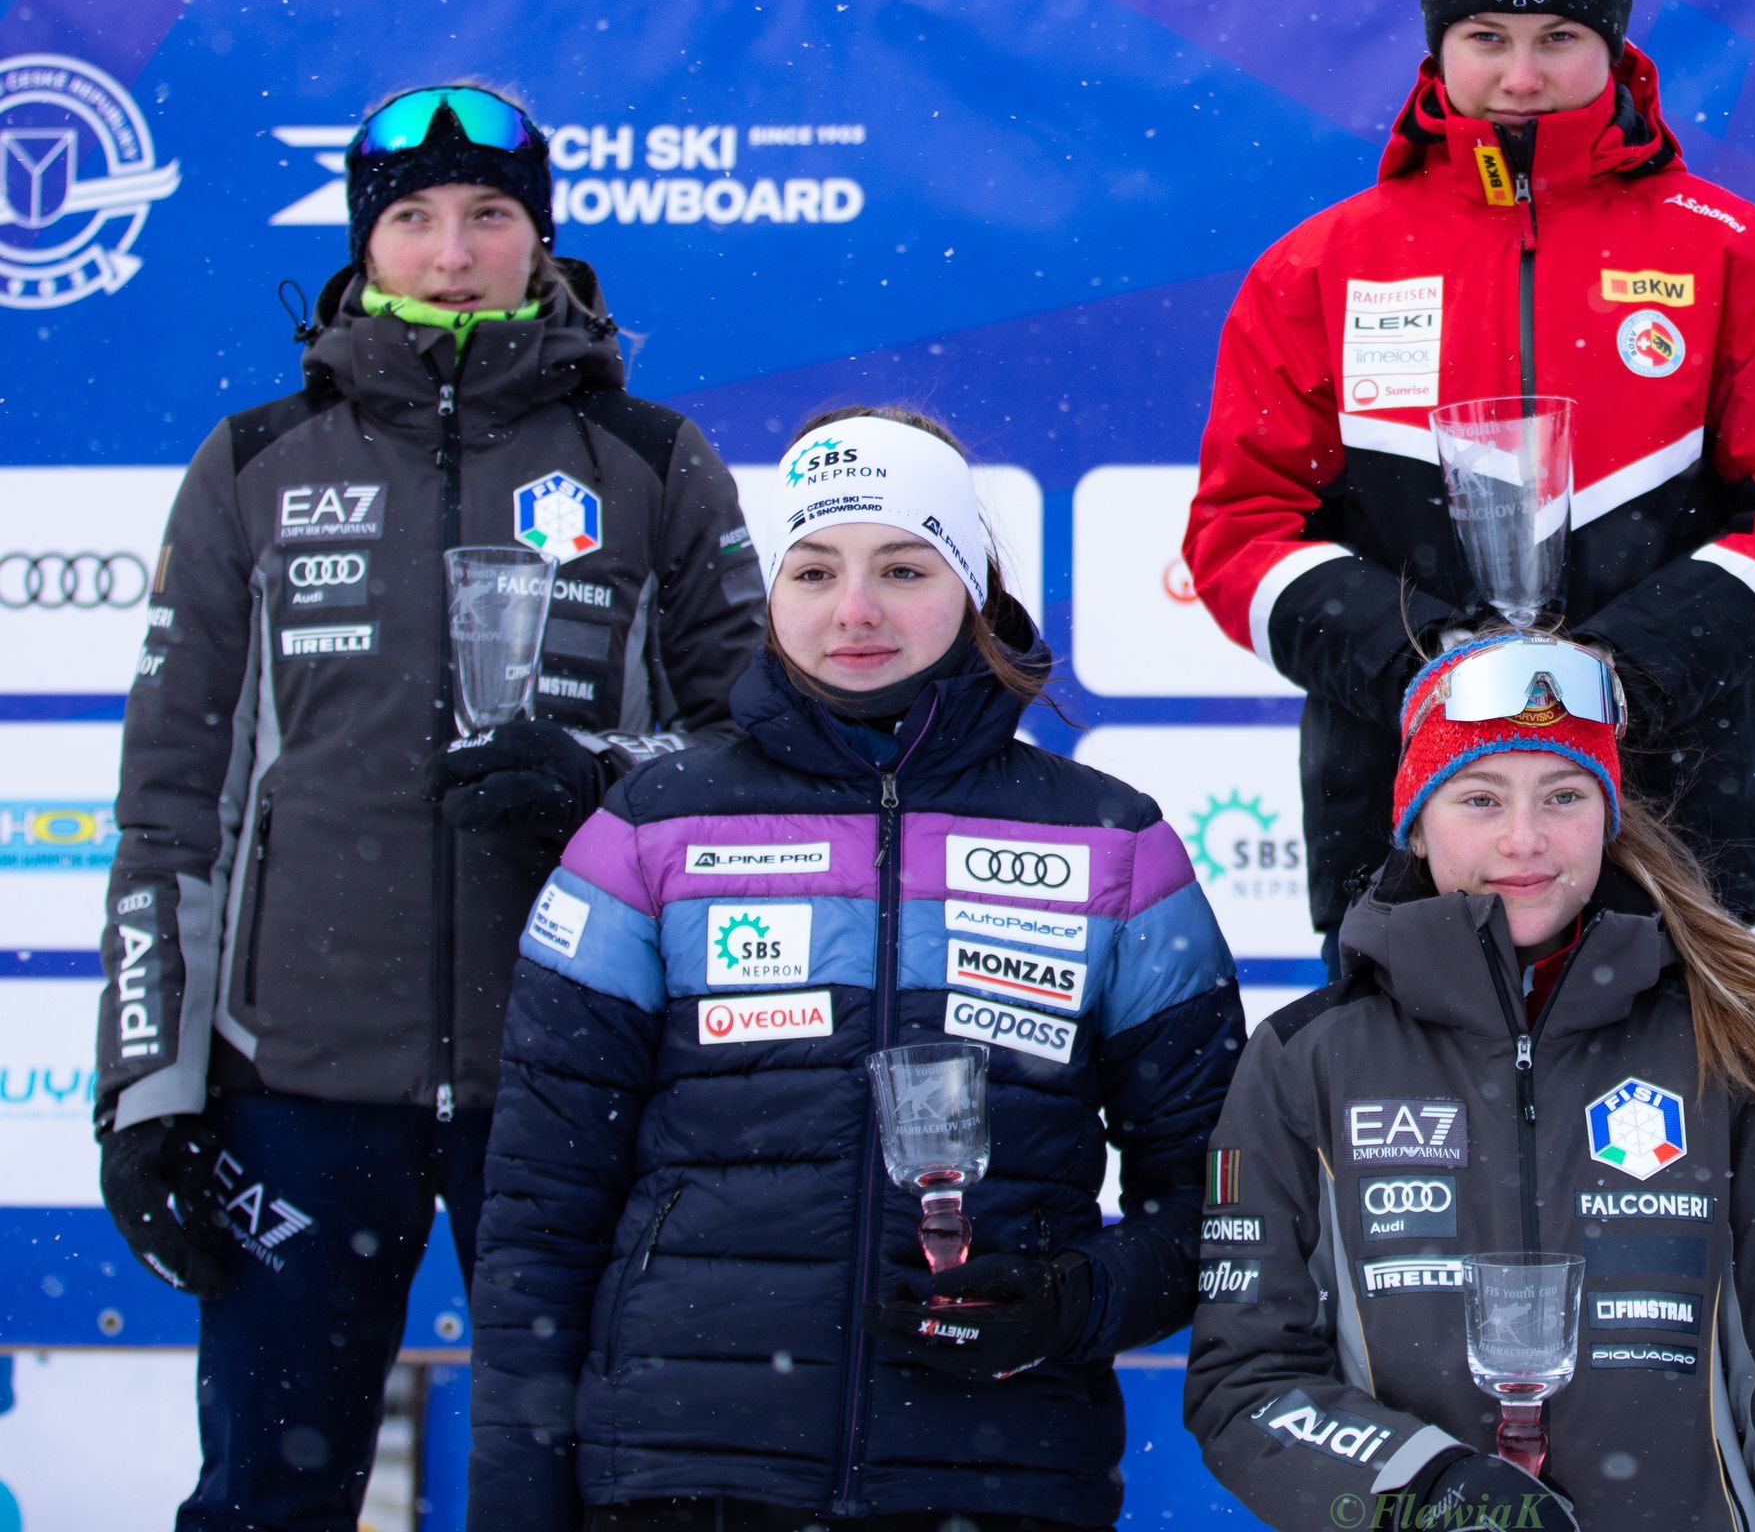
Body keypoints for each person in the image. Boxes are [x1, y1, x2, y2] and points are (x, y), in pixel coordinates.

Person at [92, 84, 764, 1531]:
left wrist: (604, 779)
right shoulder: (255, 465)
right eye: (413, 218)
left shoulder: (652, 461)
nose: (452, 252)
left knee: (583, 1493)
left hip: (574, 1083)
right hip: (299, 1094)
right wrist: (147, 1097)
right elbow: (170, 809)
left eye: (488, 217)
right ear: (365, 240)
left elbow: (755, 771)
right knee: (269, 1496)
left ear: (541, 239)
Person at [471, 407, 1245, 1532]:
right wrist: (515, 1497)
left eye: (903, 566)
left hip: (994, 1473)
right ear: (771, 594)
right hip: (687, 1474)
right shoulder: (648, 830)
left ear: (971, 582)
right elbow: (541, 1213)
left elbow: (1223, 1199)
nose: (857, 610)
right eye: (815, 569)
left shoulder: (1111, 846)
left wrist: (1075, 1300)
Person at [1182, 0, 1755, 944]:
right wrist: (1429, 661)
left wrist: (1625, 673)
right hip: (1402, 832)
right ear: (1438, 45)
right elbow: (1237, 533)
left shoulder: (1732, 254)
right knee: (1406, 1116)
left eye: (1558, 37)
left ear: (1612, 44)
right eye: (1487, 40)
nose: (1520, 76)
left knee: (1680, 1119)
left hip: (1676, 827)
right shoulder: (1320, 267)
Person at [1184, 632, 1755, 1531]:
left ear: (1608, 816)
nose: (1526, 839)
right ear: (1417, 820)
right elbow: (1244, 1386)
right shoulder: (1304, 1058)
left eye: (1564, 796)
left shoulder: (1723, 1040)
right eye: (1480, 798)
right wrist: (1427, 1492)